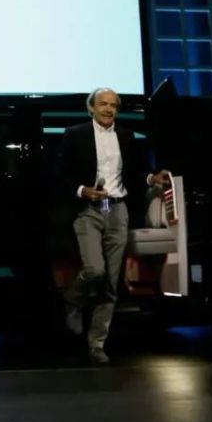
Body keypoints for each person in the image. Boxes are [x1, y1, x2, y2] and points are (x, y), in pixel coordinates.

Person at [59, 87, 170, 364]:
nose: (109, 109)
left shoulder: (126, 136)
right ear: (91, 108)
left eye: (113, 105)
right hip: (88, 210)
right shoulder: (75, 134)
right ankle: (73, 301)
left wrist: (151, 179)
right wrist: (82, 190)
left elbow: (133, 174)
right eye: (103, 104)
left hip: (117, 210)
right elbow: (60, 175)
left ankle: (97, 344)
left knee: (111, 280)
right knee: (94, 270)